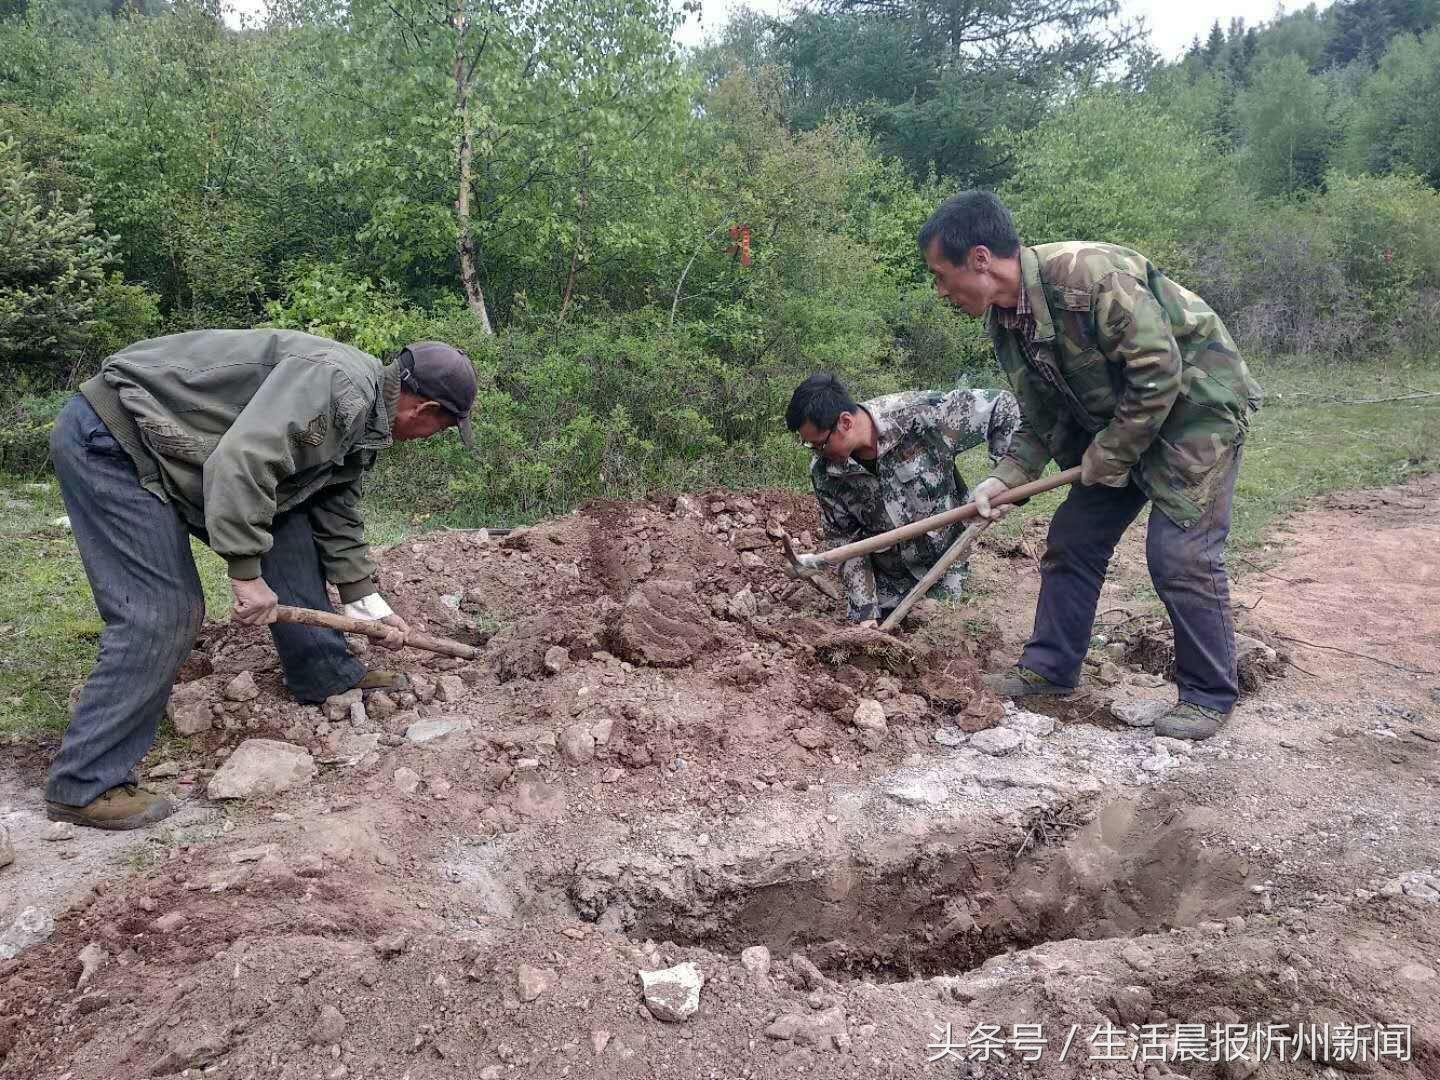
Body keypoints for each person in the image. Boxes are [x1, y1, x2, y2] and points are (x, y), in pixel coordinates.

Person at [45, 329, 478, 829]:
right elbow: (241, 463)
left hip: (182, 447)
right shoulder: (340, 390)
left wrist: (363, 597)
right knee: (163, 612)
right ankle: (84, 783)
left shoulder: (364, 414)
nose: (431, 439)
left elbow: (330, 499)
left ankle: (325, 675)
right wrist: (246, 573)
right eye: (441, 429)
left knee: (291, 530)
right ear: (422, 411)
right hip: (116, 439)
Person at [917, 191, 1263, 740]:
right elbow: (1041, 415)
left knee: (1179, 555)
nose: (941, 291)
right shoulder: (1008, 322)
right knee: (1073, 538)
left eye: (942, 274)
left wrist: (1111, 453)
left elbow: (1158, 374)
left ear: (979, 259)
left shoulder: (1089, 275)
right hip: (1121, 423)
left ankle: (1206, 695)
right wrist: (1003, 478)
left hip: (1197, 411)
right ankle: (1050, 669)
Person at [785, 373, 1020, 626]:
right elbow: (846, 542)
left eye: (819, 445)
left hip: (946, 563)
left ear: (845, 422)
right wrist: (866, 613)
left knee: (939, 629)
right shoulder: (825, 473)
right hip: (890, 580)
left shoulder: (921, 416)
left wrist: (1004, 479)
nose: (818, 454)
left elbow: (1003, 406)